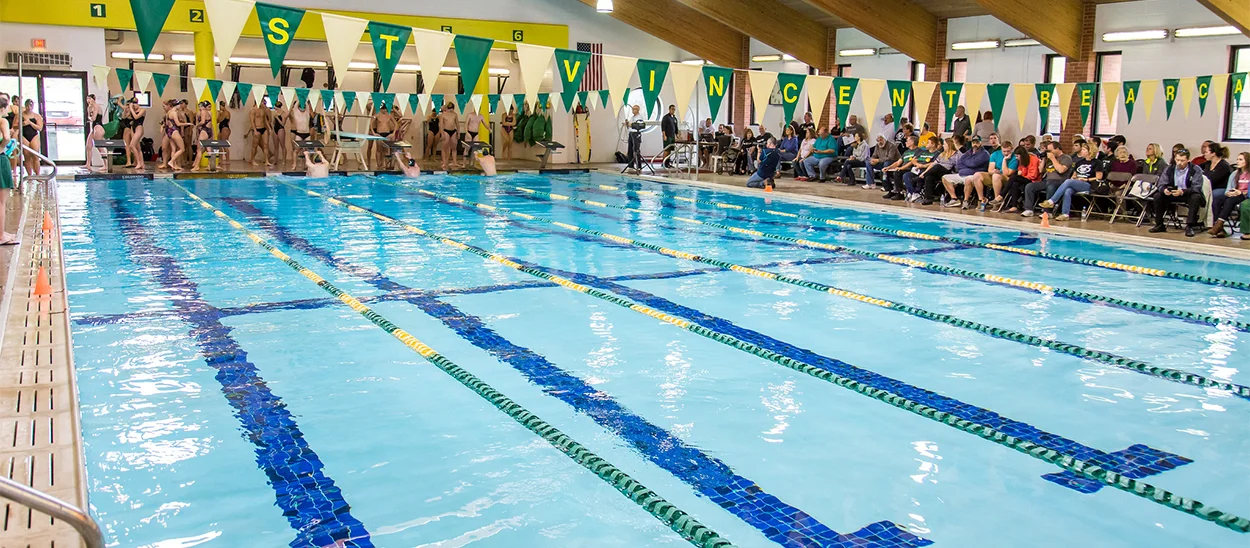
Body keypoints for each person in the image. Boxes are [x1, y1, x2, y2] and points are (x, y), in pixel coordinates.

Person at [1149, 148, 1206, 236]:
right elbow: (1161, 184)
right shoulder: (1169, 168)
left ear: (1188, 160)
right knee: (1158, 196)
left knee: (1196, 197)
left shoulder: (1195, 169)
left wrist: (1183, 191)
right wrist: (1164, 190)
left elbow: (1197, 187)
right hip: (1172, 192)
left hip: (1187, 193)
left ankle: (1190, 226)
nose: (1179, 163)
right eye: (1177, 160)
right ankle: (1159, 224)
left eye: (1182, 161)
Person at [1040, 141, 1103, 220]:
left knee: (1068, 181)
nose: (1081, 151)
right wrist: (1074, 178)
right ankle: (1065, 214)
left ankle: (1052, 201)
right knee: (1068, 190)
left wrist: (1086, 179)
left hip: (1088, 184)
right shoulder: (1079, 162)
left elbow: (1099, 177)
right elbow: (1074, 174)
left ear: (1090, 151)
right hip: (1076, 182)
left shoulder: (1097, 162)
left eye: (1084, 150)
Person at [1021, 141, 1071, 217]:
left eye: (1050, 151)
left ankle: (1048, 212)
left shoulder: (1066, 158)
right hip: (1047, 181)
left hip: (1059, 182)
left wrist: (1053, 159)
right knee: (1030, 186)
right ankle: (1029, 209)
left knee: (1051, 186)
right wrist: (1044, 159)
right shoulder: (1048, 159)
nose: (1049, 152)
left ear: (1057, 149)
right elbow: (1040, 170)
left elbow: (1061, 170)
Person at [941, 135, 989, 208]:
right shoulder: (968, 152)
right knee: (945, 178)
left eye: (977, 142)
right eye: (973, 143)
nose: (975, 144)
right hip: (962, 173)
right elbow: (959, 164)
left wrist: (966, 163)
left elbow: (974, 164)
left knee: (968, 180)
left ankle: (966, 201)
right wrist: (968, 164)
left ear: (981, 143)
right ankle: (954, 199)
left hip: (974, 175)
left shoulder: (984, 154)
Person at [1209, 151, 1250, 237]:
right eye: (1237, 159)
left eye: (1240, 159)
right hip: (1234, 194)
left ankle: (1218, 224)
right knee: (1217, 200)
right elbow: (1228, 189)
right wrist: (1228, 193)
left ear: (1247, 161)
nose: (1238, 161)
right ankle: (1220, 228)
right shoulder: (1234, 174)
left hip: (1244, 196)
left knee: (1230, 201)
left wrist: (1241, 192)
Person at [920, 137, 961, 205]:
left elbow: (958, 167)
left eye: (944, 144)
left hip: (950, 171)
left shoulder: (957, 155)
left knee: (937, 167)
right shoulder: (942, 154)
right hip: (939, 172)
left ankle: (920, 178)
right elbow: (933, 164)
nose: (943, 146)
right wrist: (924, 172)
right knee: (929, 177)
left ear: (949, 145)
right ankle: (928, 198)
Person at [1002, 146, 1042, 213]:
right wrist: (1021, 175)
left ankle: (1001, 195)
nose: (1016, 158)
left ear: (1022, 155)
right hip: (1025, 178)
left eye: (1017, 156)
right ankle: (1014, 206)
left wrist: (1022, 176)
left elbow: (1033, 175)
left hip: (1033, 180)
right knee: (1015, 183)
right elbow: (1020, 170)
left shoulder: (1033, 159)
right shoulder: (1022, 160)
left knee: (1013, 177)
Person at [881, 134, 920, 200]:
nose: (905, 142)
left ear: (912, 142)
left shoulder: (918, 151)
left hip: (910, 169)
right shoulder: (906, 152)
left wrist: (901, 168)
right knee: (885, 173)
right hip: (902, 169)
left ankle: (900, 193)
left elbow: (911, 162)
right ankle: (891, 190)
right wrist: (889, 168)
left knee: (897, 173)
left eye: (907, 141)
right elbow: (898, 162)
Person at [904, 136, 942, 202]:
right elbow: (913, 160)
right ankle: (913, 193)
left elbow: (933, 163)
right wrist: (918, 165)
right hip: (917, 170)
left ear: (933, 144)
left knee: (922, 177)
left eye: (928, 143)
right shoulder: (922, 152)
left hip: (926, 171)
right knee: (906, 175)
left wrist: (922, 166)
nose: (926, 144)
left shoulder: (937, 154)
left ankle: (917, 192)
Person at [0, 93, 16, 246]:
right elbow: (6, 137)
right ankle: (1, 236)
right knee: (1, 202)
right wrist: (3, 146)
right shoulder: (2, 120)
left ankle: (2, 232)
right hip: (0, 158)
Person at [20, 99, 45, 177]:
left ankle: (37, 174)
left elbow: (40, 128)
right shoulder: (20, 115)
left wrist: (30, 123)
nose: (28, 108)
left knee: (35, 156)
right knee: (27, 156)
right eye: (27, 106)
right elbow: (14, 126)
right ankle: (29, 175)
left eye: (30, 106)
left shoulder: (37, 116)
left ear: (33, 106)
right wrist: (23, 124)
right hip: (24, 136)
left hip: (34, 136)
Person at [190, 101, 216, 173]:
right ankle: (210, 165)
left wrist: (196, 125)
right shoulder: (209, 113)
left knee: (199, 149)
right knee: (209, 150)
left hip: (204, 131)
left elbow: (202, 122)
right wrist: (212, 134)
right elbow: (211, 125)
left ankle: (197, 166)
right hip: (209, 131)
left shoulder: (203, 112)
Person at [247, 100, 272, 167]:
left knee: (266, 145)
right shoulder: (253, 110)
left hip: (264, 129)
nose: (263, 103)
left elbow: (265, 120)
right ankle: (252, 160)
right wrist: (254, 130)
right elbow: (252, 122)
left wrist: (269, 128)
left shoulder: (263, 110)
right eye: (262, 102)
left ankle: (267, 161)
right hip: (257, 129)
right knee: (255, 146)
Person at [622, 103, 645, 173]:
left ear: (637, 110)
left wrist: (630, 124)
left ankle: (639, 165)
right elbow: (630, 125)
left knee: (636, 150)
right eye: (632, 109)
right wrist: (627, 124)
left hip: (636, 134)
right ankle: (630, 165)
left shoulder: (639, 117)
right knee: (630, 150)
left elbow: (639, 125)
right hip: (631, 133)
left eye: (634, 109)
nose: (633, 110)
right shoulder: (632, 117)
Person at [439, 102, 461, 171]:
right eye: (450, 108)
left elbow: (457, 124)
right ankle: (445, 162)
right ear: (447, 108)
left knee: (454, 147)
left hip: (453, 131)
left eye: (452, 108)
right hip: (446, 131)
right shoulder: (443, 115)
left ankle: (454, 162)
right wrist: (442, 134)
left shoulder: (455, 115)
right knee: (444, 148)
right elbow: (441, 125)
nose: (451, 110)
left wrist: (458, 132)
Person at [271, 100, 288, 165]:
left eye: (275, 107)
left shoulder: (283, 113)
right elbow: (273, 123)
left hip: (281, 129)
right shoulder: (275, 113)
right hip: (275, 129)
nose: (275, 108)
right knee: (276, 146)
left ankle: (284, 160)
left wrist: (277, 118)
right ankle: (275, 160)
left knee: (282, 146)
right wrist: (274, 118)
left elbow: (283, 124)